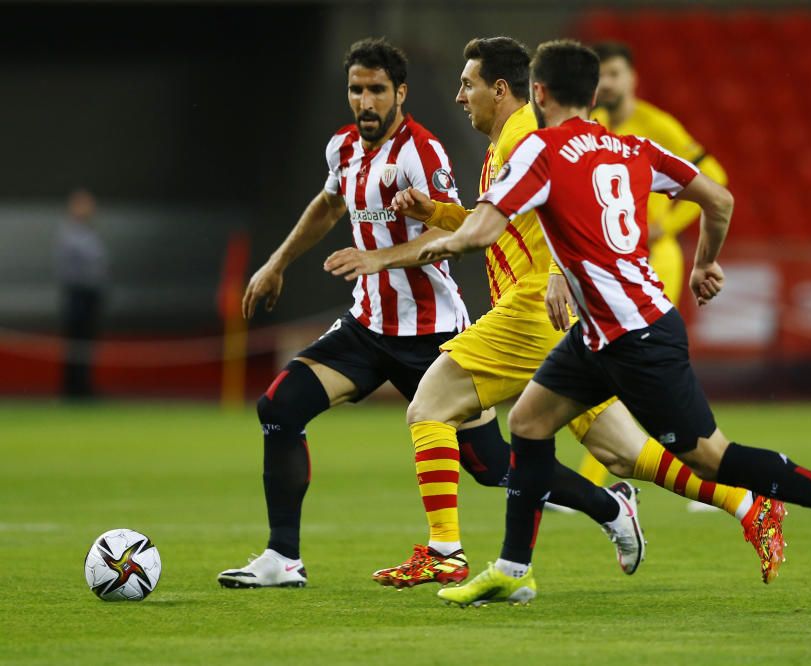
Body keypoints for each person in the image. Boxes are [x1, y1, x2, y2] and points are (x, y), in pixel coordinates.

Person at [421, 40, 811, 606]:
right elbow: (718, 200)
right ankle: (512, 569)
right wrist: (705, 262)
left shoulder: (541, 152)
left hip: (636, 337)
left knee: (713, 457)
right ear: (595, 95)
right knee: (528, 423)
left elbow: (481, 232)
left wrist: (422, 250)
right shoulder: (634, 148)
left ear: (540, 93)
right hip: (599, 333)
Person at [332, 37, 785, 585]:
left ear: (500, 89)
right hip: (551, 319)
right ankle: (744, 504)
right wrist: (437, 214)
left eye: (467, 85)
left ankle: (446, 551)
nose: (459, 97)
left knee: (429, 407)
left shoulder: (526, 134)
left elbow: (565, 206)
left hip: (529, 309)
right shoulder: (507, 141)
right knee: (624, 453)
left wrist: (553, 276)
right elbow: (498, 222)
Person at [217, 38, 620, 590]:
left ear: (399, 93)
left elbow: (452, 227)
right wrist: (277, 262)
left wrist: (376, 258)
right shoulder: (343, 148)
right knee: (280, 407)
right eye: (356, 90)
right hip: (367, 327)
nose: (365, 101)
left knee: (492, 466)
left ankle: (608, 506)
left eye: (377, 90)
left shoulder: (421, 152)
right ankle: (283, 557)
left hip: (431, 330)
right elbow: (330, 202)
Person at [566, 41, 730, 486]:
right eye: (601, 76)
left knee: (630, 358)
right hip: (606, 259)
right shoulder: (589, 126)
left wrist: (669, 225)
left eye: (616, 73)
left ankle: (595, 475)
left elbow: (714, 177)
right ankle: (712, 462)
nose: (608, 83)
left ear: (633, 78)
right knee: (615, 359)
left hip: (653, 257)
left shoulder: (657, 126)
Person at [55, 188, 108, 399]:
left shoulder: (90, 233)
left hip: (91, 293)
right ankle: (72, 389)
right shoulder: (69, 234)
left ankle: (84, 387)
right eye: (84, 204)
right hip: (77, 294)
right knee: (76, 343)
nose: (89, 209)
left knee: (87, 344)